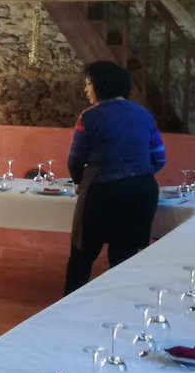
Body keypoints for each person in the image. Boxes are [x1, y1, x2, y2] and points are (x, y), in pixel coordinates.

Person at [64, 60, 167, 294]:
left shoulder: (89, 117)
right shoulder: (144, 115)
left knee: (82, 254)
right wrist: (136, 173)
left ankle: (68, 306)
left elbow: (75, 159)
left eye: (88, 84)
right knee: (125, 256)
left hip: (101, 191)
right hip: (143, 190)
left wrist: (78, 181)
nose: (85, 90)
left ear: (100, 84)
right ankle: (122, 304)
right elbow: (160, 157)